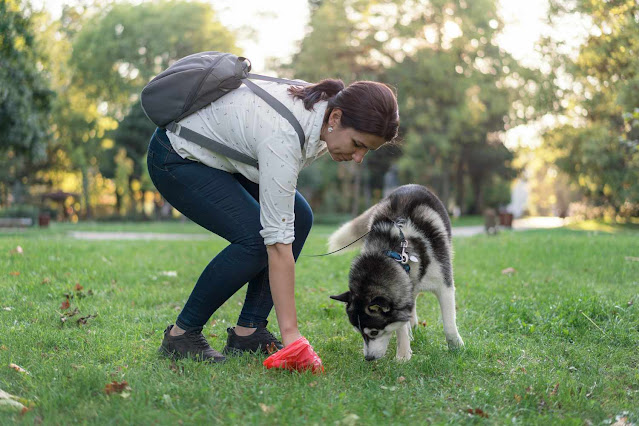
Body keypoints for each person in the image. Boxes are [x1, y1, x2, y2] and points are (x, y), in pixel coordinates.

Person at [147, 76, 399, 363]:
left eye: (366, 150)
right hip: (176, 157)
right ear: (337, 117)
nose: (358, 157)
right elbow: (277, 244)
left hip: (222, 159)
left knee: (299, 217)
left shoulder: (323, 114)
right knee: (255, 239)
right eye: (357, 144)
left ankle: (248, 332)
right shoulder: (285, 136)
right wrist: (291, 335)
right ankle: (181, 337)